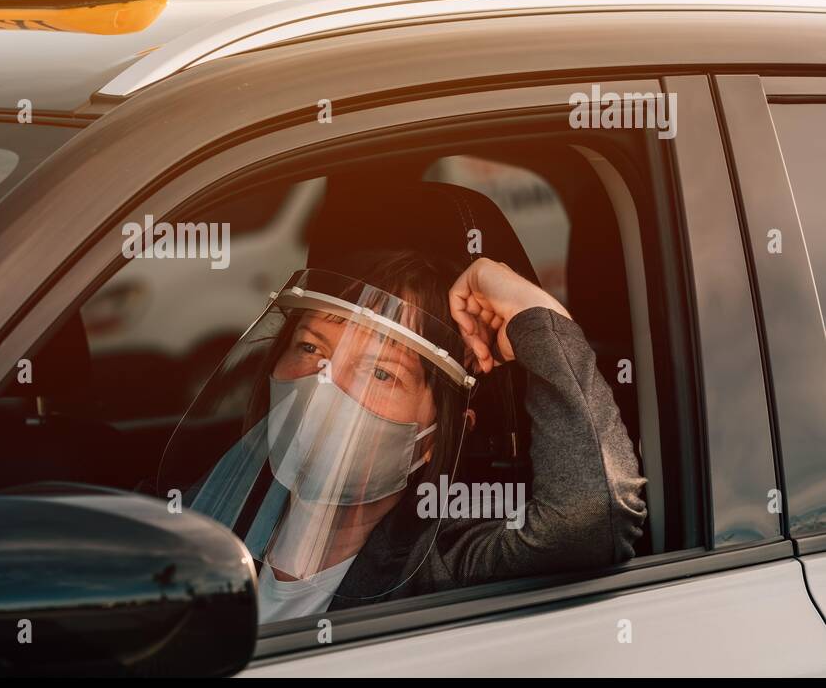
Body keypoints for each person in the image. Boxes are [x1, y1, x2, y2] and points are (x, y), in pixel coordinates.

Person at [158, 248, 648, 624]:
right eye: (309, 346)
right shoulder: (217, 504)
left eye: (380, 373)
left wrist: (533, 315)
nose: (324, 381)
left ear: (431, 440)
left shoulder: (437, 565)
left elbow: (592, 519)